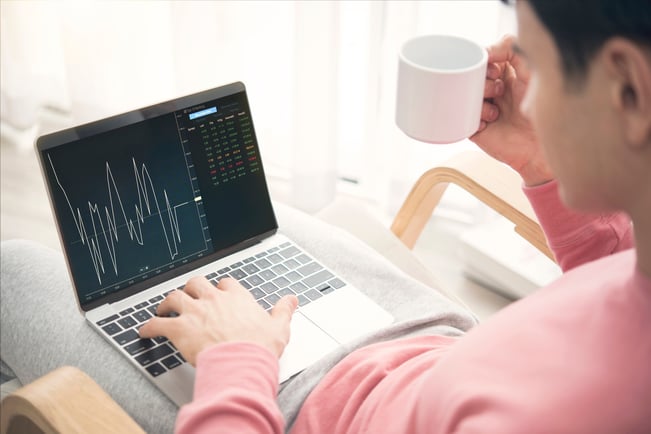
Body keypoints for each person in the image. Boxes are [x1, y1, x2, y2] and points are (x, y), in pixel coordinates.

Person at [0, 0, 648, 432]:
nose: (506, 63)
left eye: (532, 60)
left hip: (280, 404)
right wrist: (544, 160)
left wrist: (238, 359)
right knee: (250, 229)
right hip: (424, 343)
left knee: (13, 269)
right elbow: (617, 281)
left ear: (626, 89)